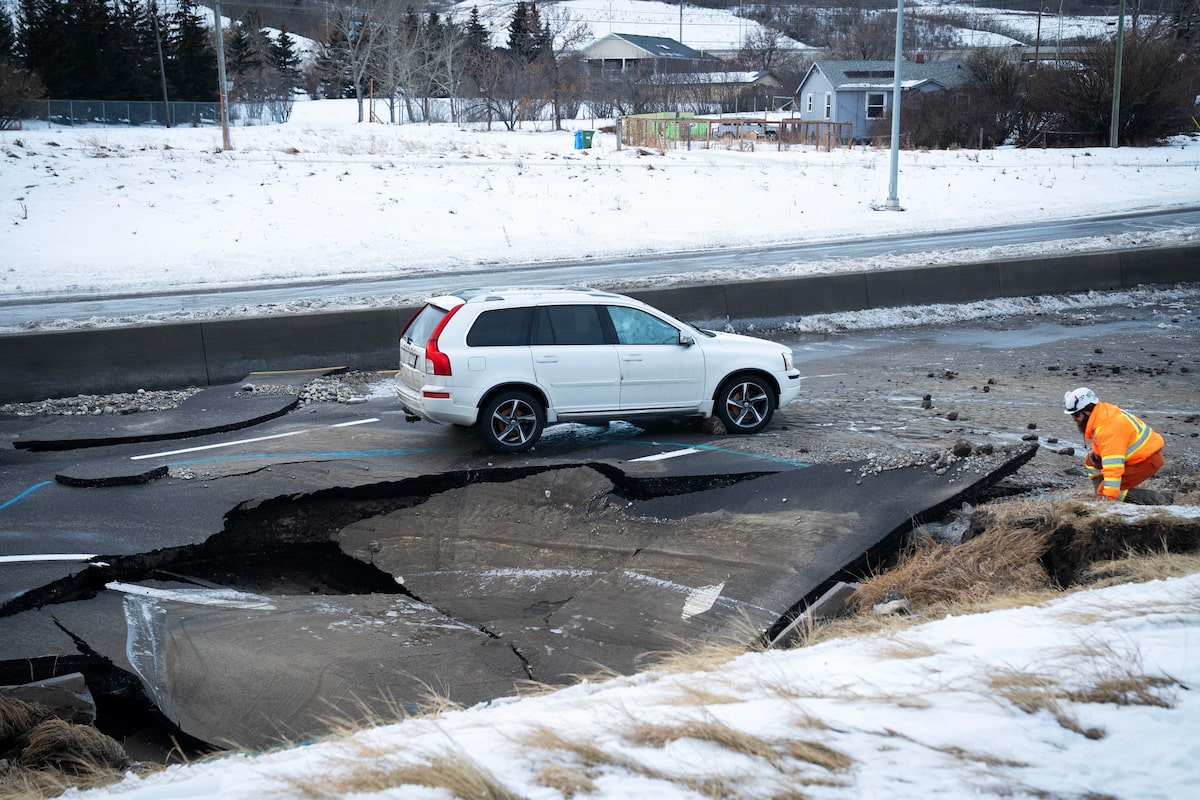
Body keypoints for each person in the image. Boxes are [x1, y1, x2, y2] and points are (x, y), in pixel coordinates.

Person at [1063, 387, 1171, 504]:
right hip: (1136, 457)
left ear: (1088, 410)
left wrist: (1108, 496)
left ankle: (1163, 499)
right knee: (1092, 460)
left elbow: (1113, 465)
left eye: (1076, 414)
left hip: (1146, 461)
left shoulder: (1109, 428)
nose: (1073, 418)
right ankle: (1100, 497)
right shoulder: (1102, 415)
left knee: (1106, 492)